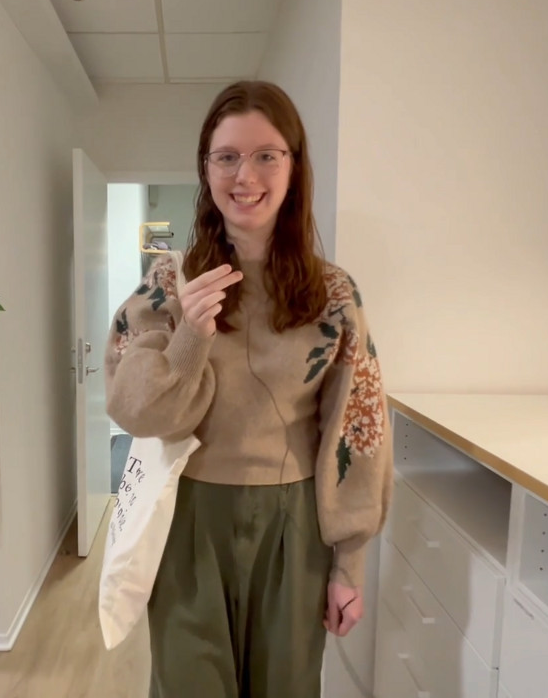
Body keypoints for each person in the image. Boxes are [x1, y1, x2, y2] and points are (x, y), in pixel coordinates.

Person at [104, 80, 392, 698]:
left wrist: (349, 562)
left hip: (295, 526)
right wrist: (191, 333)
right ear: (206, 168)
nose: (246, 174)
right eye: (226, 155)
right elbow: (136, 410)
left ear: (294, 165)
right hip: (188, 520)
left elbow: (359, 432)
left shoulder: (333, 295)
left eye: (267, 154)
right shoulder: (168, 284)